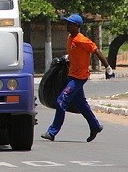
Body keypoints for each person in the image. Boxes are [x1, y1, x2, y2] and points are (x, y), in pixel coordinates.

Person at [41, 14, 114, 143]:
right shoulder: (70, 38)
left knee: (61, 101)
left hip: (79, 77)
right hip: (71, 76)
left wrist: (108, 68)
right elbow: (74, 53)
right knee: (81, 104)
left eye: (70, 23)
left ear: (77, 26)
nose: (67, 25)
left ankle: (52, 132)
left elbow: (96, 51)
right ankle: (95, 126)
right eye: (67, 23)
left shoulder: (82, 40)